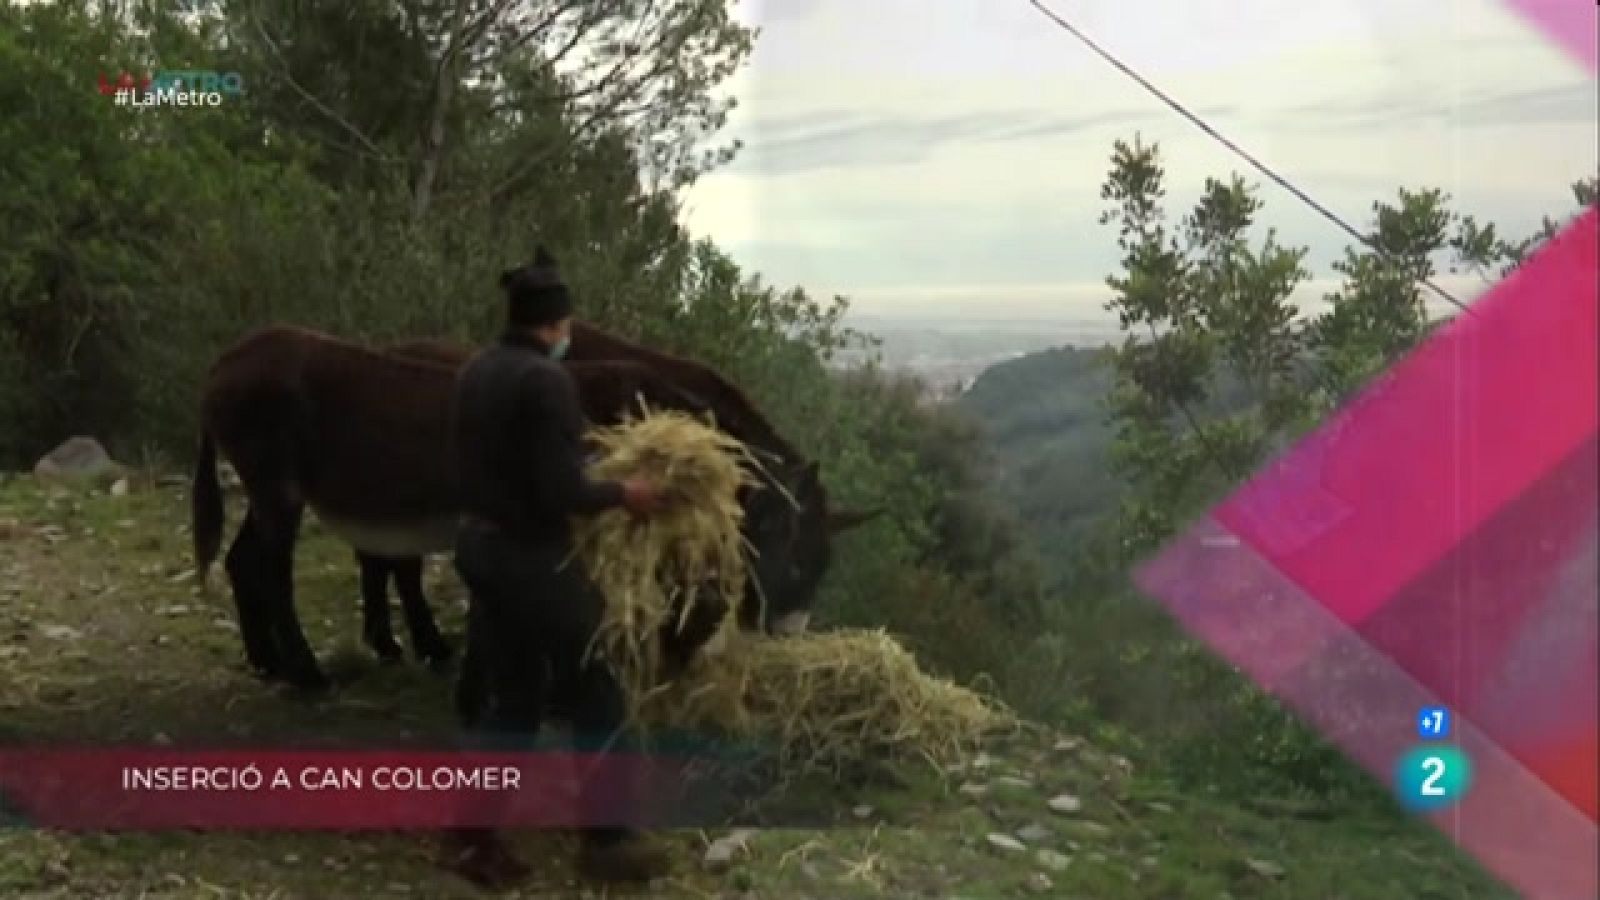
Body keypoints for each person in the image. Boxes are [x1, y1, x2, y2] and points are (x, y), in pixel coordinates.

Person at [443, 246, 669, 888]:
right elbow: (562, 491)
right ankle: (608, 840)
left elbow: (511, 462)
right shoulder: (546, 381)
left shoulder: (478, 369)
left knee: (513, 699)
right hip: (527, 557)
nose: (570, 334)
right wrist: (627, 493)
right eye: (567, 323)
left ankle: (470, 835)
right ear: (555, 324)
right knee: (597, 685)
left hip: (479, 546)